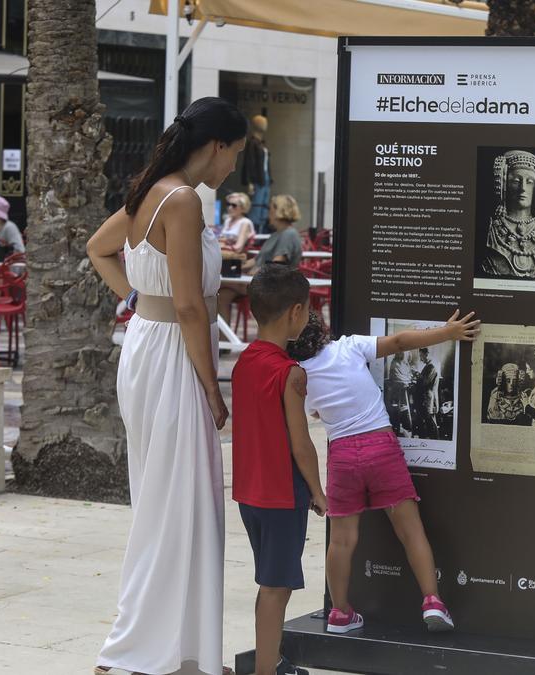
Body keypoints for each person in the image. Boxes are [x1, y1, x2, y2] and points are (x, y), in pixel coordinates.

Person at [86, 97, 247, 675]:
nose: (233, 168)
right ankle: (135, 650)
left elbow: (99, 249)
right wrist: (212, 385)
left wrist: (133, 301)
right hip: (173, 356)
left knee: (169, 502)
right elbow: (189, 306)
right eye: (235, 154)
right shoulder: (180, 201)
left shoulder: (151, 190)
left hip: (146, 347)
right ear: (217, 146)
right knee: (179, 505)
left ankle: (179, 650)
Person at [286, 309, 480, 635]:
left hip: (343, 456)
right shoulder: (347, 347)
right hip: (381, 447)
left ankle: (340, 613)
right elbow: (400, 341)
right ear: (323, 330)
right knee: (411, 531)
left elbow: (315, 412)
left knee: (342, 541)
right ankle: (433, 601)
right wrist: (448, 332)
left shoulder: (298, 374)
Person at [231, 265, 323, 675]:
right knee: (276, 587)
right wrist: (318, 491)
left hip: (249, 493)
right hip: (282, 493)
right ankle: (265, 670)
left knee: (270, 583)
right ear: (296, 311)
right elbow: (301, 444)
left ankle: (271, 661)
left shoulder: (243, 362)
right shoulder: (291, 373)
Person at [217, 193, 303, 324]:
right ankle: (225, 340)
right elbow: (256, 260)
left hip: (272, 285)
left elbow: (277, 265)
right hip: (261, 280)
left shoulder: (288, 234)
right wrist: (237, 267)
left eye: (270, 209)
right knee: (223, 295)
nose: (268, 213)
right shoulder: (278, 234)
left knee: (216, 283)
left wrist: (253, 271)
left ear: (278, 210)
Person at [481, 149, 535, 279]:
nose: (523, 188)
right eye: (516, 181)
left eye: (530, 182)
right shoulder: (491, 220)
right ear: (504, 184)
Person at [242, 114, 273, 232]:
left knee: (264, 206)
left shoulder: (262, 143)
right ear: (256, 125)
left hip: (265, 178)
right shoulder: (252, 143)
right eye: (262, 122)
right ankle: (253, 232)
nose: (265, 125)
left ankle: (261, 232)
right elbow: (249, 163)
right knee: (256, 205)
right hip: (258, 179)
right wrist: (250, 181)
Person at [411, 348, 440, 439]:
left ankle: (436, 441)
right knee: (427, 421)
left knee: (430, 421)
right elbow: (424, 380)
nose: (420, 359)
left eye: (421, 356)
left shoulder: (431, 367)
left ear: (426, 354)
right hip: (426, 398)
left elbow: (424, 383)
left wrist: (416, 374)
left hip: (427, 398)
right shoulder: (429, 366)